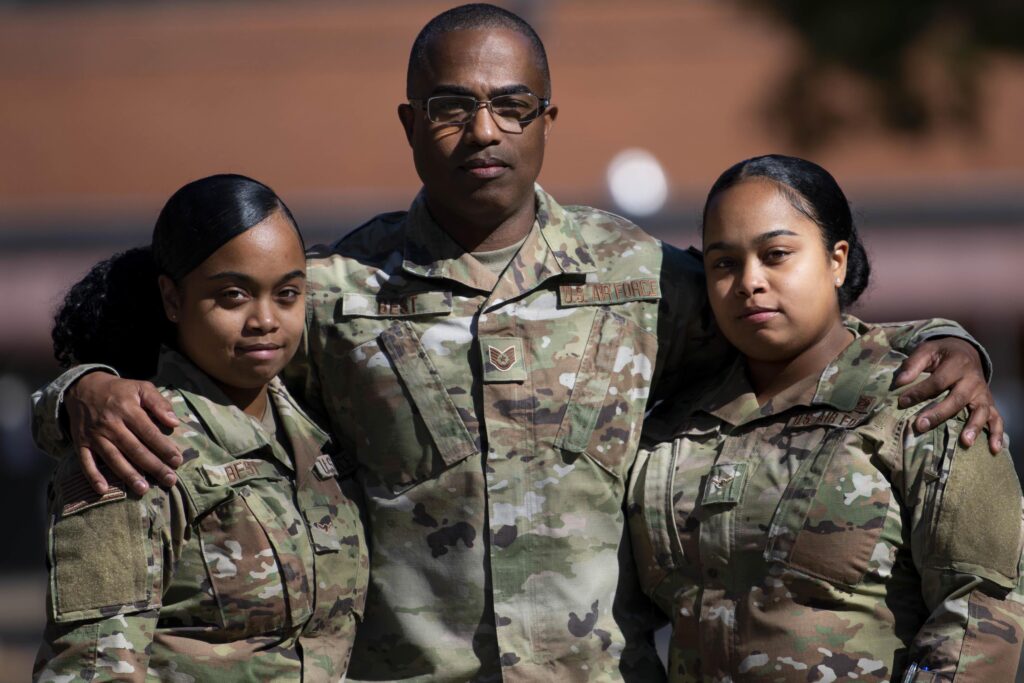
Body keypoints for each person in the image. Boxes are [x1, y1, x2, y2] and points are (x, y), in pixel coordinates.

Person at [31, 6, 1003, 681]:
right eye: (452, 108)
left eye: (510, 105)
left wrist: (952, 342)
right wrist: (79, 387)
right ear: (411, 126)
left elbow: (807, 331)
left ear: (547, 119)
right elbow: (186, 355)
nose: (482, 130)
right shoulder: (332, 294)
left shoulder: (643, 280)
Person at [628, 155, 1024, 682]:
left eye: (776, 255)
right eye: (724, 263)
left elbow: (979, 611)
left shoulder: (925, 402)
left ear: (836, 260)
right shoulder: (667, 430)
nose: (749, 282)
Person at [33, 174, 368, 681]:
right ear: (172, 299)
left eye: (288, 294)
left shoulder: (314, 422)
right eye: (233, 296)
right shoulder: (134, 444)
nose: (265, 320)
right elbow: (92, 667)